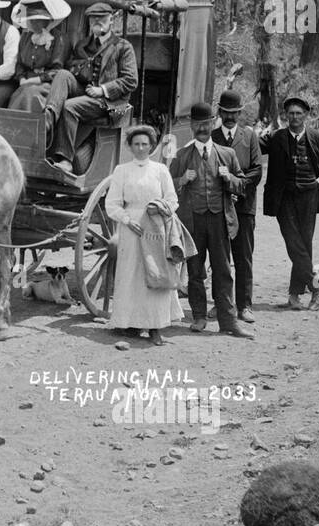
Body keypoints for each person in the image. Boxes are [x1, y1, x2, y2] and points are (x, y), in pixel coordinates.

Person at [170, 103, 253, 339]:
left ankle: (228, 321)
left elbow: (243, 184)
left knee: (223, 270)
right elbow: (167, 186)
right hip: (193, 221)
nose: (202, 128)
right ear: (191, 127)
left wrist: (229, 179)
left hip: (219, 220)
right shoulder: (182, 156)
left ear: (213, 122)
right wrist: (181, 180)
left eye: (206, 124)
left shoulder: (227, 154)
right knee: (195, 271)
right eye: (197, 125)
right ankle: (198, 316)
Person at [103, 125, 185, 346]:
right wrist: (128, 221)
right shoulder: (122, 170)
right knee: (131, 275)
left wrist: (159, 208)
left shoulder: (160, 170)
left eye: (145, 144)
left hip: (156, 227)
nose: (141, 148)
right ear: (130, 146)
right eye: (136, 144)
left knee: (155, 273)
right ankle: (129, 323)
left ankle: (155, 326)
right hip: (131, 229)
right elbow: (112, 204)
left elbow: (172, 200)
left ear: (152, 146)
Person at [261, 95, 319, 310]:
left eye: (298, 113)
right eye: (291, 114)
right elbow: (255, 146)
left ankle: (294, 296)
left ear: (306, 115)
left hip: (309, 197)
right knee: (293, 244)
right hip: (284, 198)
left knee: (303, 245)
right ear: (285, 116)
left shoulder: (315, 137)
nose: (294, 117)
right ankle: (317, 287)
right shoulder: (277, 137)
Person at [48, 2, 138, 174]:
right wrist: (80, 68)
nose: (97, 21)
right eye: (93, 19)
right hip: (85, 92)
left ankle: (65, 160)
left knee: (69, 107)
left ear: (111, 20)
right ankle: (49, 118)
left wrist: (102, 89)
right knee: (62, 75)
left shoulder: (123, 47)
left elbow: (131, 80)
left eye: (101, 18)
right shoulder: (82, 45)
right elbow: (71, 68)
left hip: (108, 102)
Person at [211, 89, 263, 323]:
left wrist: (235, 186)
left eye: (234, 113)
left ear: (240, 113)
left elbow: (256, 171)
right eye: (226, 112)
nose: (230, 117)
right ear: (220, 112)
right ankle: (221, 305)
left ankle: (244, 306)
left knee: (243, 257)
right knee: (220, 259)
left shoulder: (250, 137)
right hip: (218, 206)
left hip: (243, 207)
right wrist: (223, 192)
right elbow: (207, 171)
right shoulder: (211, 137)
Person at [8, 0, 71, 114]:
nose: (33, 23)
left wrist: (35, 80)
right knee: (18, 94)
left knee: (30, 94)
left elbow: (58, 71)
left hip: (48, 85)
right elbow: (19, 63)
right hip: (25, 83)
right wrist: (21, 78)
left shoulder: (60, 38)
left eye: (38, 20)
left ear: (48, 20)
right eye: (31, 20)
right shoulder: (25, 37)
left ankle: (34, 130)